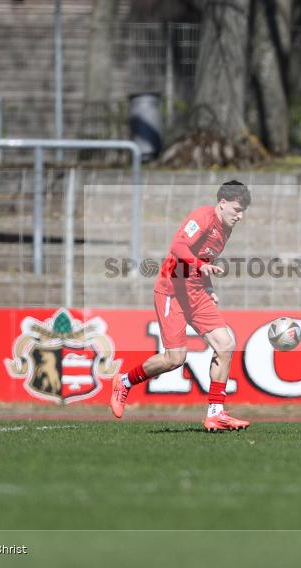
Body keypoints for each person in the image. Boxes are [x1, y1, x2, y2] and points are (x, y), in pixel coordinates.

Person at [110, 180, 252, 432]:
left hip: (195, 294)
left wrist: (207, 286)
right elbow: (178, 246)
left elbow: (202, 259)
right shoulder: (203, 217)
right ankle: (124, 382)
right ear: (222, 204)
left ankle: (215, 413)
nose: (240, 216)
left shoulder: (225, 228)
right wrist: (200, 266)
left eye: (242, 211)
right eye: (236, 210)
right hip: (171, 292)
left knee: (226, 344)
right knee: (175, 359)